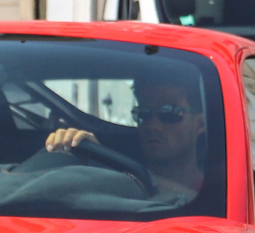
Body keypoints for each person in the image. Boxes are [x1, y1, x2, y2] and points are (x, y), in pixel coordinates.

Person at [42, 79, 207, 201]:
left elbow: (197, 203)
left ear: (200, 123)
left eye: (169, 113)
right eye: (143, 113)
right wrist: (76, 149)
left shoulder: (219, 191)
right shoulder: (122, 181)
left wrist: (115, 173)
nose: (153, 125)